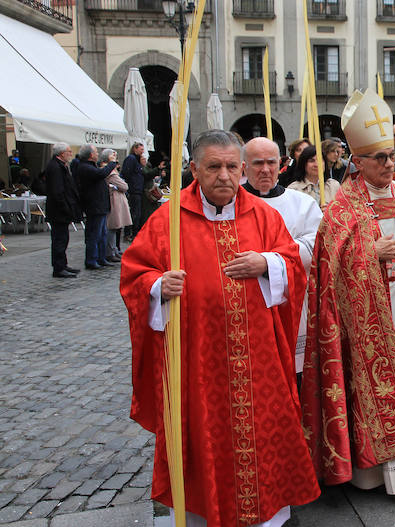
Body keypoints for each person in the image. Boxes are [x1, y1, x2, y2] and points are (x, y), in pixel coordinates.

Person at [120, 130, 320, 527]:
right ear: (195, 169)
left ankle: (269, 519)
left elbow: (292, 263)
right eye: (214, 167)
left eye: (232, 166)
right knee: (202, 438)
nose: (224, 175)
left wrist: (268, 264)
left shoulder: (264, 216)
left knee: (265, 438)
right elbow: (133, 273)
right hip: (198, 364)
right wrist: (158, 286)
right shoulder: (168, 219)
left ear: (241, 169)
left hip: (260, 364)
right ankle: (202, 514)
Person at [301, 89, 395, 495]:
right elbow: (327, 262)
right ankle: (376, 473)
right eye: (380, 159)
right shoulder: (344, 204)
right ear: (359, 162)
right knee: (375, 388)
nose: (389, 164)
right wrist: (369, 252)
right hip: (368, 314)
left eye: (391, 156)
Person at [242, 137, 323, 393]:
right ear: (244, 167)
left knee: (293, 377)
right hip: (246, 306)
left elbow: (317, 245)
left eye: (271, 162)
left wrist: (269, 260)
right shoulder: (231, 205)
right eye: (257, 163)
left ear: (282, 164)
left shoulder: (302, 204)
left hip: (292, 304)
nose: (265, 169)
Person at [74, 144, 118, 270]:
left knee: (102, 233)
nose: (98, 154)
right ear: (90, 155)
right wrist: (111, 163)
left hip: (100, 205)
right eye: (96, 152)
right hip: (94, 206)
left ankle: (101, 257)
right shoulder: (84, 167)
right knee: (94, 234)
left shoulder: (90, 166)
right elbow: (101, 174)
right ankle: (92, 259)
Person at [43, 143, 81, 278]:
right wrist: (66, 208)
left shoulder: (60, 166)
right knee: (59, 239)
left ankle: (62, 265)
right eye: (69, 151)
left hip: (61, 210)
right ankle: (58, 268)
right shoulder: (55, 167)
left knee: (63, 239)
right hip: (58, 211)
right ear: (61, 153)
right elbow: (57, 191)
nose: (71, 154)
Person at [101, 148, 130, 262]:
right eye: (113, 156)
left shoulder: (112, 172)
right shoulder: (111, 173)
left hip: (117, 201)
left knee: (116, 227)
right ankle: (111, 251)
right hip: (114, 202)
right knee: (113, 227)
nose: (116, 158)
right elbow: (124, 186)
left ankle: (114, 250)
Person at [120, 142, 145, 240]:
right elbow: (126, 173)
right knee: (134, 213)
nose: (142, 151)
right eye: (141, 149)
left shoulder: (137, 160)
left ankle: (133, 232)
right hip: (133, 190)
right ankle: (130, 233)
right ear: (135, 149)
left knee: (136, 213)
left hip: (137, 189)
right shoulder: (131, 159)